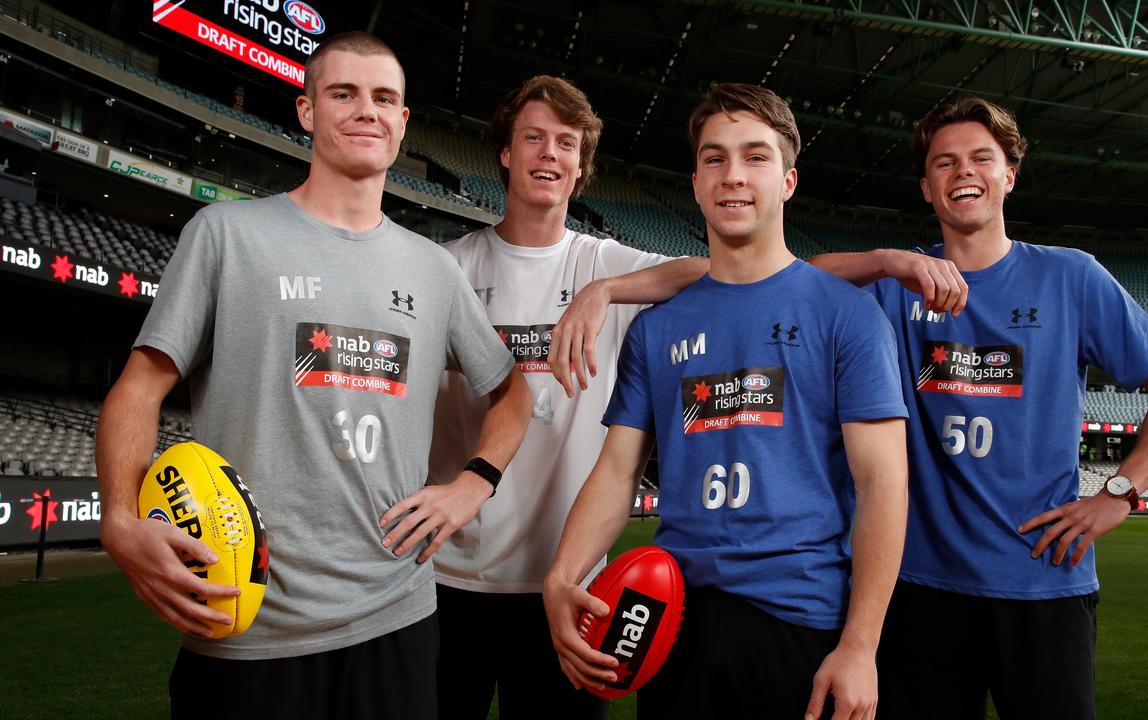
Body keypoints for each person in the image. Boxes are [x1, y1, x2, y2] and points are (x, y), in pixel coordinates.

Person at [95, 32, 531, 719]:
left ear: (403, 123)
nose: (367, 110)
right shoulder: (225, 235)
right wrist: (118, 516)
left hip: (396, 615)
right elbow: (138, 387)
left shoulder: (435, 268)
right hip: (246, 620)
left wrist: (473, 485)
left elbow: (512, 389)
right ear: (306, 112)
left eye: (384, 98)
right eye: (343, 94)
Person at [811, 97, 1148, 719]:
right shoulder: (894, 288)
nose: (962, 172)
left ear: (1009, 175)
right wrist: (889, 259)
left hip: (1044, 579)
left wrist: (1122, 490)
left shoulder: (1071, 277)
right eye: (944, 163)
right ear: (926, 187)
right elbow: (790, 281)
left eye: (980, 158)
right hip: (919, 586)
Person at [543, 82, 910, 720]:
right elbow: (617, 471)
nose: (733, 176)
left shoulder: (849, 316)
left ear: (789, 181)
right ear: (694, 180)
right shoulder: (656, 328)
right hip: (674, 619)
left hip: (798, 618)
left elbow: (883, 483)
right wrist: (563, 574)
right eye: (715, 158)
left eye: (755, 157)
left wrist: (860, 645)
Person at [428, 75, 706, 720]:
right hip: (446, 577)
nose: (549, 153)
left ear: (581, 166)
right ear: (504, 152)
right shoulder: (446, 267)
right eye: (533, 137)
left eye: (566, 143)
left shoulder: (608, 267)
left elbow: (721, 269)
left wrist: (606, 292)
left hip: (572, 586)